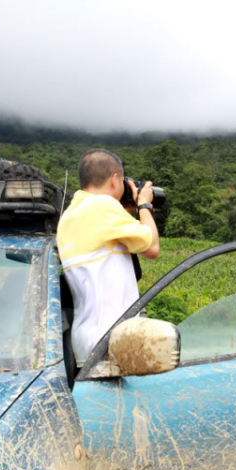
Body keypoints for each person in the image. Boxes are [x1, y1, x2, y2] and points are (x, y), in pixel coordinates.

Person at [57, 149, 160, 367]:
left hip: (87, 341)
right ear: (115, 179)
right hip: (113, 342)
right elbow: (152, 247)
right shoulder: (103, 207)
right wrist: (144, 205)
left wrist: (126, 211)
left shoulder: (70, 214)